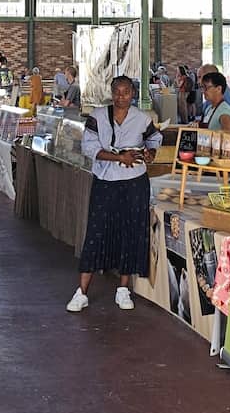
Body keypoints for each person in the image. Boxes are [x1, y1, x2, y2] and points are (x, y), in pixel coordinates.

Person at [66, 75, 163, 313]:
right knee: (97, 232)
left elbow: (155, 137)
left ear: (133, 94)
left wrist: (150, 152)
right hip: (106, 181)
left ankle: (123, 288)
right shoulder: (98, 116)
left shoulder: (142, 118)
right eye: (117, 92)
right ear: (111, 93)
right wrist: (119, 157)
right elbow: (89, 147)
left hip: (135, 182)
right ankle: (82, 292)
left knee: (130, 231)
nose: (121, 97)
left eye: (126, 92)